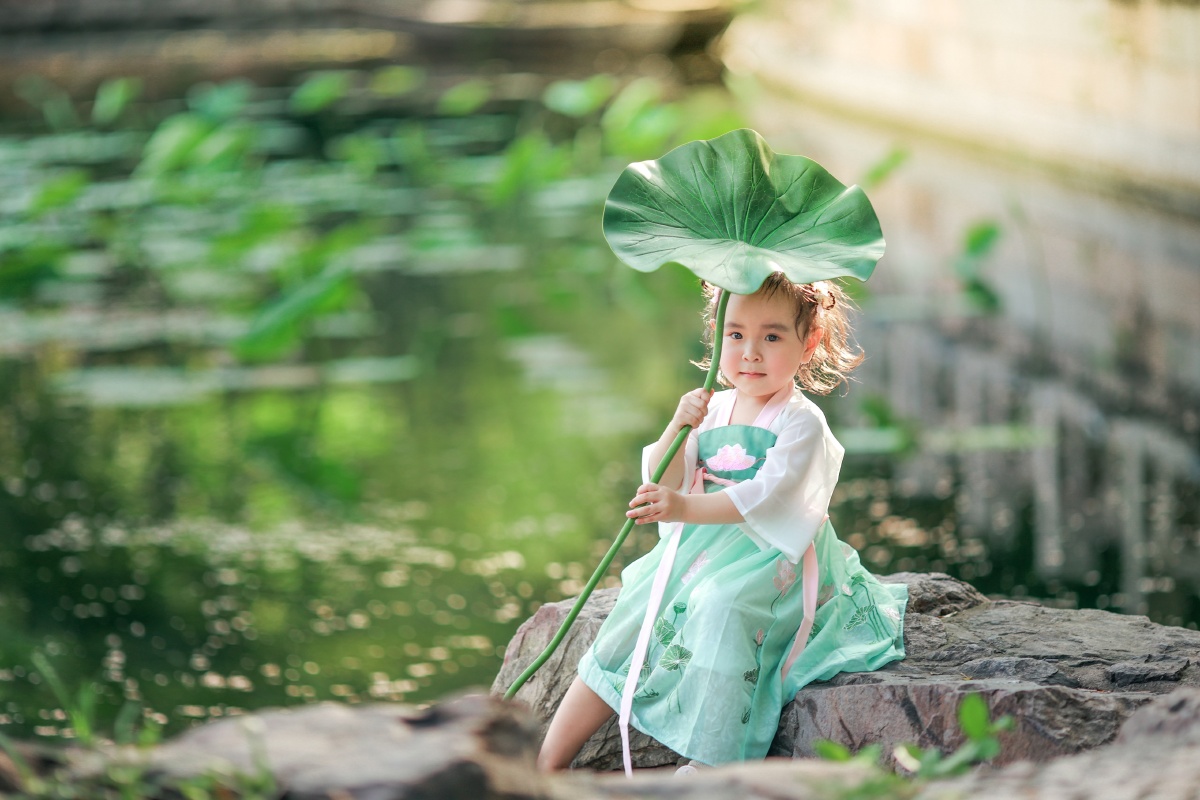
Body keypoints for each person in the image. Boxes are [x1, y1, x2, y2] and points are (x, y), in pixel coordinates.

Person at [536, 272, 908, 774]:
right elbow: (670, 474)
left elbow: (764, 497)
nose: (750, 352)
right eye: (736, 335)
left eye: (772, 336)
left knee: (720, 607)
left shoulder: (800, 422)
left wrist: (683, 507)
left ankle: (713, 759)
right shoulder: (713, 406)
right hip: (704, 545)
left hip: (770, 555)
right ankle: (545, 764)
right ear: (716, 336)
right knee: (636, 612)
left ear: (809, 341)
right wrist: (678, 425)